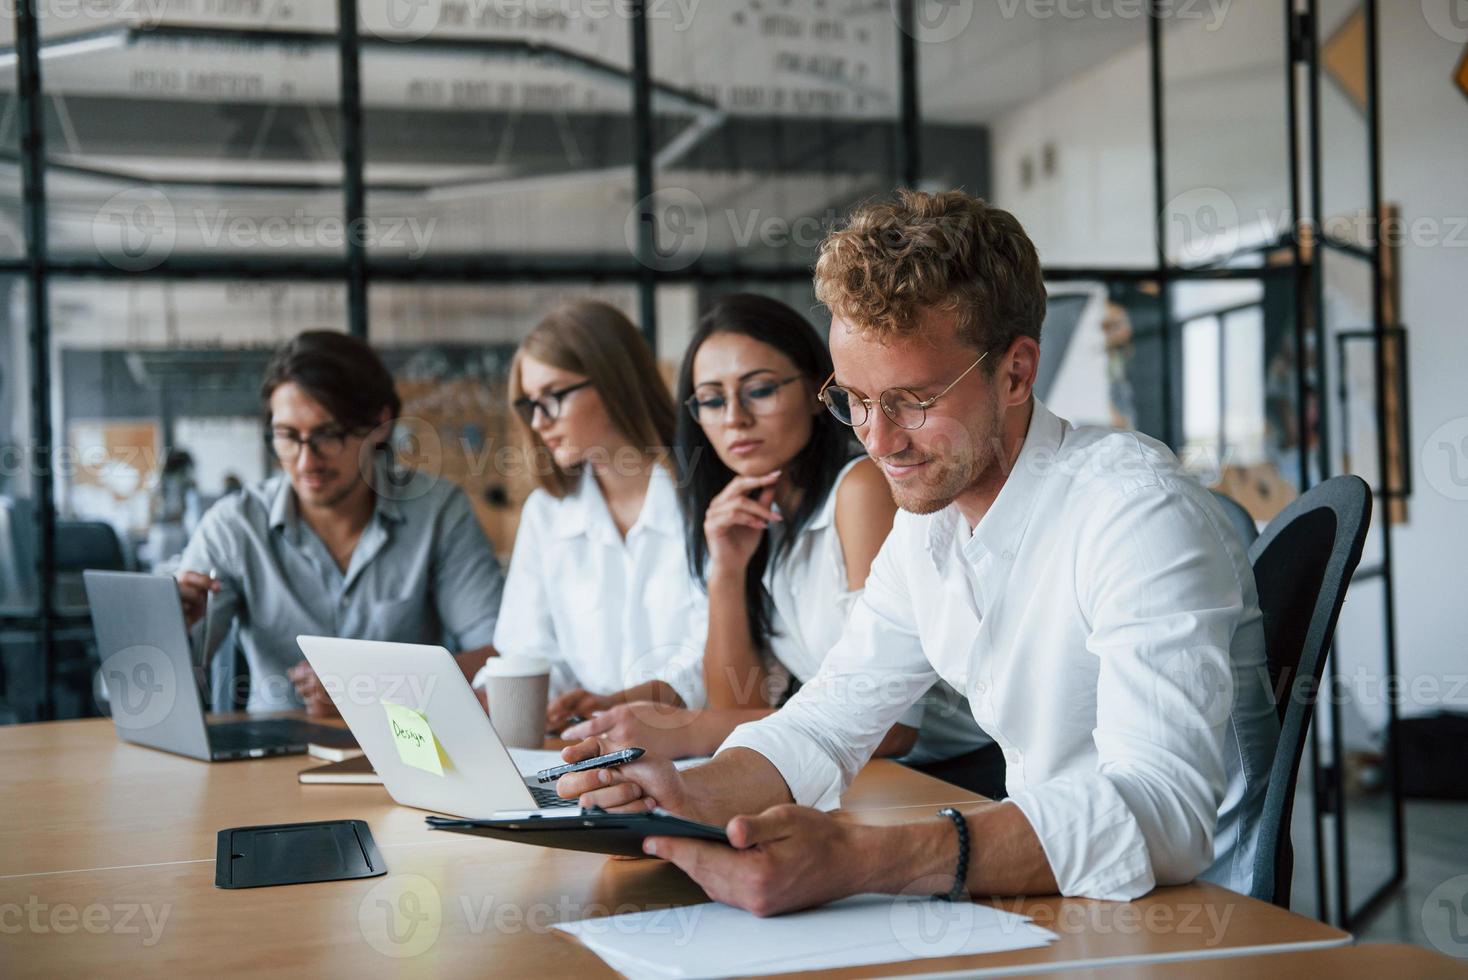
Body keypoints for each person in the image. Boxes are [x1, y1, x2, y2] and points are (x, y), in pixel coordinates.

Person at [558, 190, 1279, 913]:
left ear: (1018, 373)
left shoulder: (1134, 511)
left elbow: (1166, 816)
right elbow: (826, 718)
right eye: (856, 401)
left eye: (912, 401)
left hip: (1195, 922)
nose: (877, 440)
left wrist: (868, 858)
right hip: (1055, 907)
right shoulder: (928, 526)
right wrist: (690, 793)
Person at [562, 294, 998, 792]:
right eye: (710, 399)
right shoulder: (756, 514)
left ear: (820, 389)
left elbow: (893, 726)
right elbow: (735, 707)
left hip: (959, 774)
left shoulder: (860, 489)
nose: (734, 418)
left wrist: (686, 731)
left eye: (761, 390)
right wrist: (726, 570)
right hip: (870, 774)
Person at [176, 331, 504, 715]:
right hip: (269, 755)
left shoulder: (438, 512)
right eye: (287, 437)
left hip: (411, 749)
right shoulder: (234, 527)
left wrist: (378, 685)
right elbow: (155, 687)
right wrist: (173, 630)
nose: (305, 461)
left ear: (379, 424)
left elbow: (498, 659)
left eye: (327, 435)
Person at [474, 300, 708, 728]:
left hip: (698, 747)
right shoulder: (547, 513)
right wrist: (481, 697)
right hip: (587, 746)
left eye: (554, 396)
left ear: (614, 381)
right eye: (530, 405)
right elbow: (533, 653)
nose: (539, 421)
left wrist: (615, 703)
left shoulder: (703, 497)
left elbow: (714, 659)